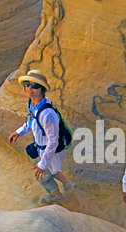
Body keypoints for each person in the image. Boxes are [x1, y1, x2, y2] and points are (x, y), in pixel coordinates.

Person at [8, 70, 76, 203]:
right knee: (54, 170)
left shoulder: (47, 114)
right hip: (44, 150)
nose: (29, 88)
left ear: (42, 89)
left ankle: (57, 196)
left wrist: (42, 164)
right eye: (27, 84)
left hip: (51, 151)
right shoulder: (32, 104)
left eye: (34, 86)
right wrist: (18, 132)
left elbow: (53, 142)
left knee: (42, 175)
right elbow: (30, 122)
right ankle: (68, 185)